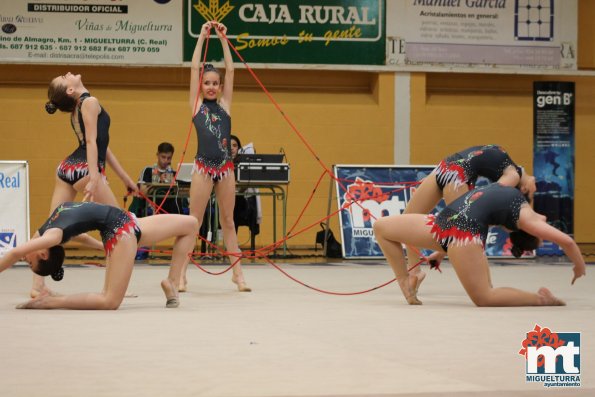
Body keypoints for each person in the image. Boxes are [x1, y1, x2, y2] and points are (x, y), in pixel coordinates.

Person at [373, 183, 586, 307]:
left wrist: (579, 266)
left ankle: (541, 299)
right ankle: (404, 282)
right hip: (442, 224)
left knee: (484, 297)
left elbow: (566, 241)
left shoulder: (528, 219)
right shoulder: (519, 202)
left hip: (461, 234)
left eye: (542, 232)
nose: (546, 221)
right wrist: (440, 252)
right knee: (381, 227)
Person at [31, 72, 139, 298]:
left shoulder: (78, 107)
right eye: (64, 76)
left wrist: (125, 178)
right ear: (70, 90)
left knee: (50, 227)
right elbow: (91, 142)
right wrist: (94, 176)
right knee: (118, 228)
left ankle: (37, 286)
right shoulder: (89, 102)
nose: (68, 73)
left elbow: (103, 146)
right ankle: (111, 288)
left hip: (67, 168)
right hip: (84, 169)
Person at [0, 201, 198, 310]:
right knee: (110, 301)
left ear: (43, 253)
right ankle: (50, 302)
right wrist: (113, 250)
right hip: (122, 228)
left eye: (28, 261)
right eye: (29, 262)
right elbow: (18, 253)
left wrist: (106, 249)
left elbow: (15, 252)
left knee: (191, 224)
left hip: (127, 224)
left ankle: (172, 281)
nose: (25, 258)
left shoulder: (48, 233)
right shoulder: (51, 233)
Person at [180, 21, 250, 292]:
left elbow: (231, 70)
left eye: (214, 83)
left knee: (228, 221)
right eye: (206, 83)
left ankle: (238, 275)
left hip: (225, 169)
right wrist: (201, 36)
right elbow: (194, 68)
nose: (210, 87)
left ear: (220, 86)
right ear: (201, 85)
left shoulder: (226, 106)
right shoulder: (196, 106)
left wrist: (223, 37)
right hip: (202, 168)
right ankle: (182, 273)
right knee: (193, 222)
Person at [402, 144, 537, 286]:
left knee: (467, 231)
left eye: (532, 196)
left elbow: (484, 199)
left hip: (455, 175)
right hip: (448, 167)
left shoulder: (513, 176)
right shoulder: (514, 169)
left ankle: (486, 285)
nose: (536, 188)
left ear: (524, 189)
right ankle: (415, 273)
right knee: (405, 220)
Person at [131, 142, 186, 217]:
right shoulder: (148, 170)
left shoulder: (175, 174)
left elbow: (184, 195)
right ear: (157, 155)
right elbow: (142, 193)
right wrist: (159, 181)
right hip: (153, 210)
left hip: (172, 212)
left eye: (169, 158)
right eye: (163, 157)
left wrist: (175, 183)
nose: (166, 160)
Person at [230, 135, 262, 240]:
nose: (231, 148)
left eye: (234, 145)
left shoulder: (244, 164)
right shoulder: (218, 164)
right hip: (222, 202)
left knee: (236, 202)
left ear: (239, 149)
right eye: (229, 146)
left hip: (241, 203)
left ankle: (232, 244)